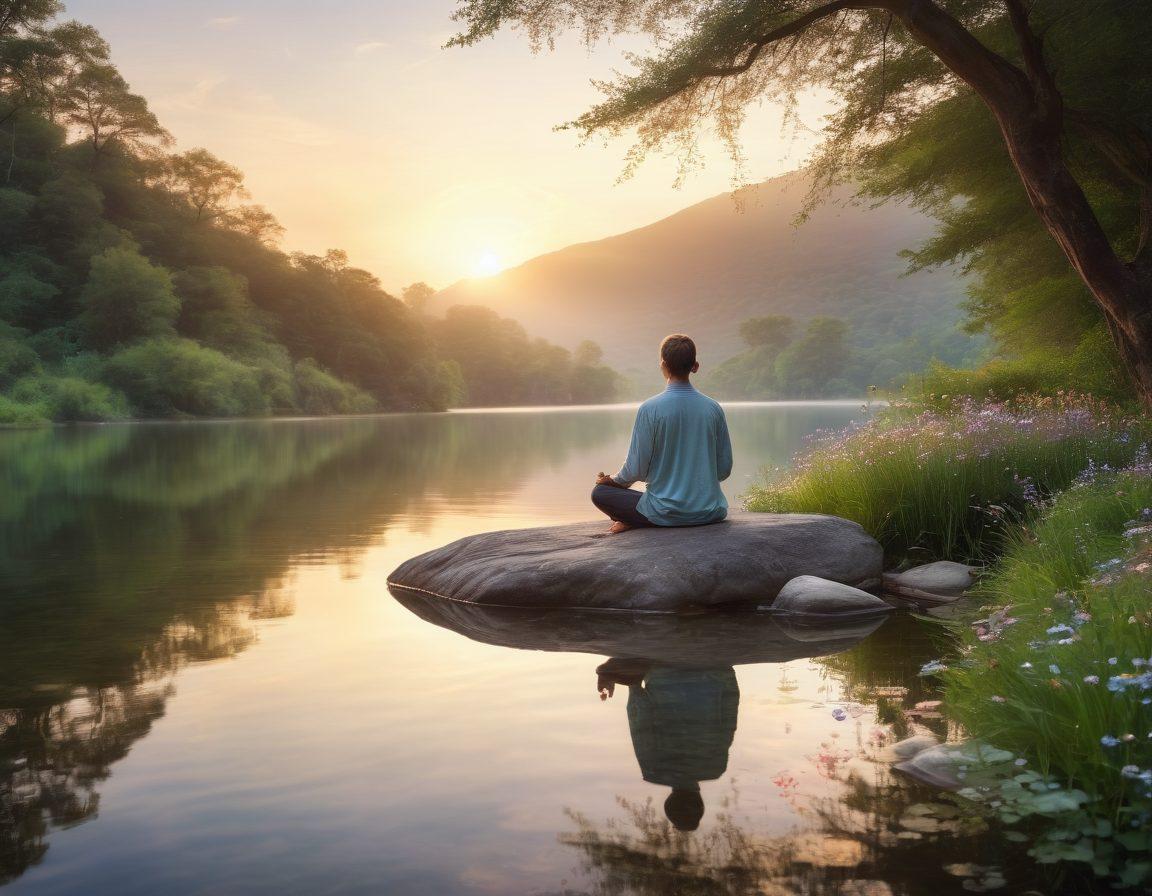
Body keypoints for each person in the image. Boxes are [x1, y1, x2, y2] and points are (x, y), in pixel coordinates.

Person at [592, 334, 733, 534]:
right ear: (695, 366)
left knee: (600, 493)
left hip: (665, 513)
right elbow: (724, 469)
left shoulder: (650, 409)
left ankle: (632, 520)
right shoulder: (713, 408)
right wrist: (695, 482)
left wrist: (613, 481)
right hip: (710, 512)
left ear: (663, 365)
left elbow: (635, 469)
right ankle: (635, 518)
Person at [595, 658, 740, 833]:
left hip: (710, 671)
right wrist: (634, 688)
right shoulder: (654, 770)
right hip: (662, 671)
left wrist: (725, 671)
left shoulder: (716, 767)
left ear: (700, 800)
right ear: (669, 802)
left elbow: (729, 718)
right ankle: (608, 671)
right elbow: (639, 720)